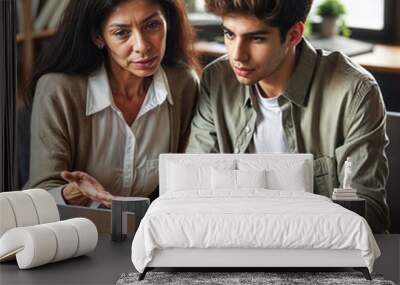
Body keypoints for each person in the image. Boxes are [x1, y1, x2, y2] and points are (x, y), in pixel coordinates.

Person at [186, 0, 390, 233]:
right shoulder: (217, 80)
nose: (237, 55)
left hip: (322, 258)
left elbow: (369, 214)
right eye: (229, 34)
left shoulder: (354, 91)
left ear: (294, 35)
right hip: (234, 246)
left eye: (256, 38)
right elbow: (193, 186)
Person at [24, 0, 199, 208]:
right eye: (121, 33)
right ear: (98, 37)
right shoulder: (59, 89)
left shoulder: (183, 84)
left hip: (147, 230)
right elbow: (41, 192)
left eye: (152, 25)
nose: (142, 46)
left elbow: (184, 180)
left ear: (167, 22)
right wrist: (74, 192)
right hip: (78, 230)